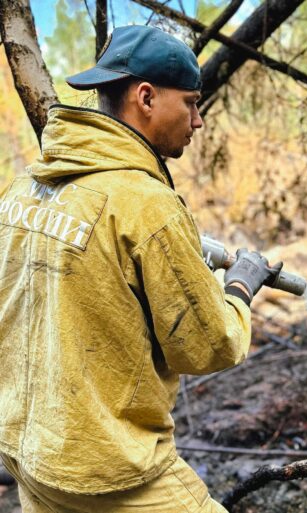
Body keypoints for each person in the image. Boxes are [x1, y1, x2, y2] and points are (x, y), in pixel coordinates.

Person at [0, 25, 280, 513]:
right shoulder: (147, 204)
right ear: (146, 97)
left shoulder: (25, 188)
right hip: (111, 472)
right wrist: (240, 287)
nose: (198, 121)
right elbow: (207, 344)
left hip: (30, 453)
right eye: (192, 103)